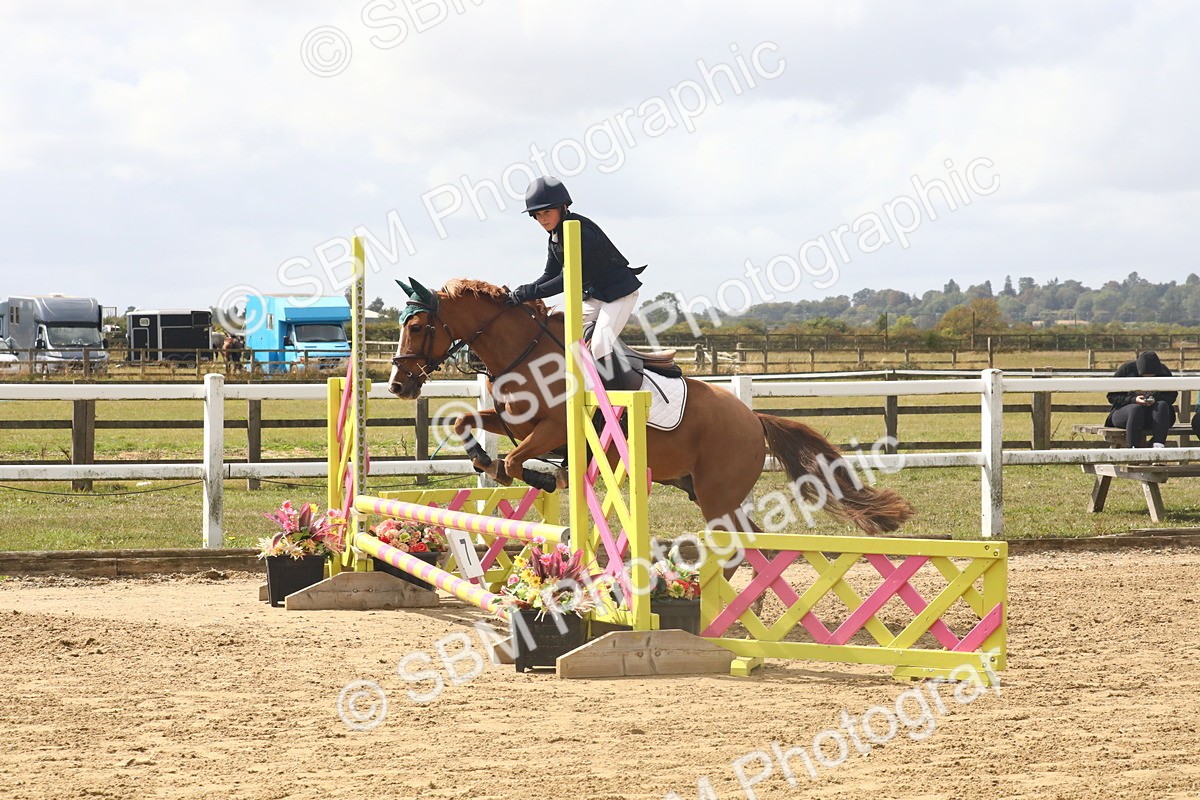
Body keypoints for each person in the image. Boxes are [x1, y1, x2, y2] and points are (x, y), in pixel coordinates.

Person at [507, 176, 645, 380]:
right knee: (562, 331)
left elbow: (567, 279)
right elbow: (549, 275)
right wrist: (521, 292)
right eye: (538, 215)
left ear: (562, 208)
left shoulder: (578, 230)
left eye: (547, 212)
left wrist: (528, 293)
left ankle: (615, 396)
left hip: (619, 293)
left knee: (599, 346)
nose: (543, 219)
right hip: (596, 295)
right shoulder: (555, 237)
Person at [1106, 351, 1177, 448]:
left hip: (1155, 416)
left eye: (1152, 376)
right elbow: (1112, 396)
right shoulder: (1126, 370)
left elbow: (1172, 395)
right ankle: (1133, 449)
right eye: (1145, 375)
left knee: (1162, 405)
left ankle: (1158, 446)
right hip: (1128, 415)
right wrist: (1133, 399)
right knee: (1135, 409)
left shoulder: (1164, 371)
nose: (1148, 377)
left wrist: (1155, 399)